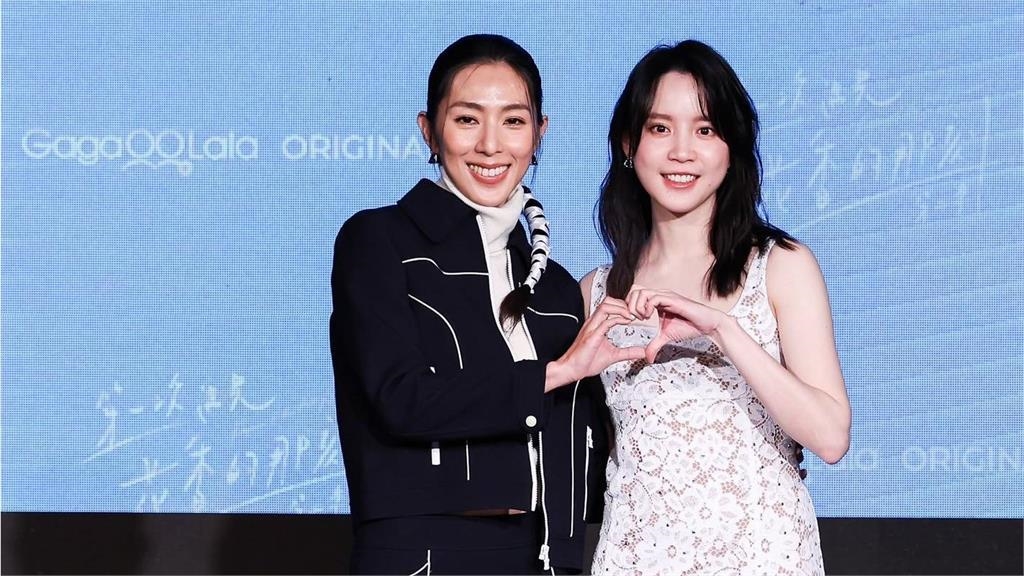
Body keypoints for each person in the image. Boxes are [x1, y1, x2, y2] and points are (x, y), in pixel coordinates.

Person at [330, 34, 644, 575]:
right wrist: (556, 372)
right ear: (429, 130)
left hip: (543, 558)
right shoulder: (379, 241)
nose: (491, 145)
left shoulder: (555, 289)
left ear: (540, 133)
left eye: (514, 121)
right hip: (423, 555)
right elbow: (400, 398)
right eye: (467, 119)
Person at [584, 40, 851, 575]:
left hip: (764, 557)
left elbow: (829, 437)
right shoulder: (595, 292)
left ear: (733, 146)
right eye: (660, 128)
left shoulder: (781, 267)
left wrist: (724, 330)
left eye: (705, 130)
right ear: (628, 143)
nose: (682, 151)